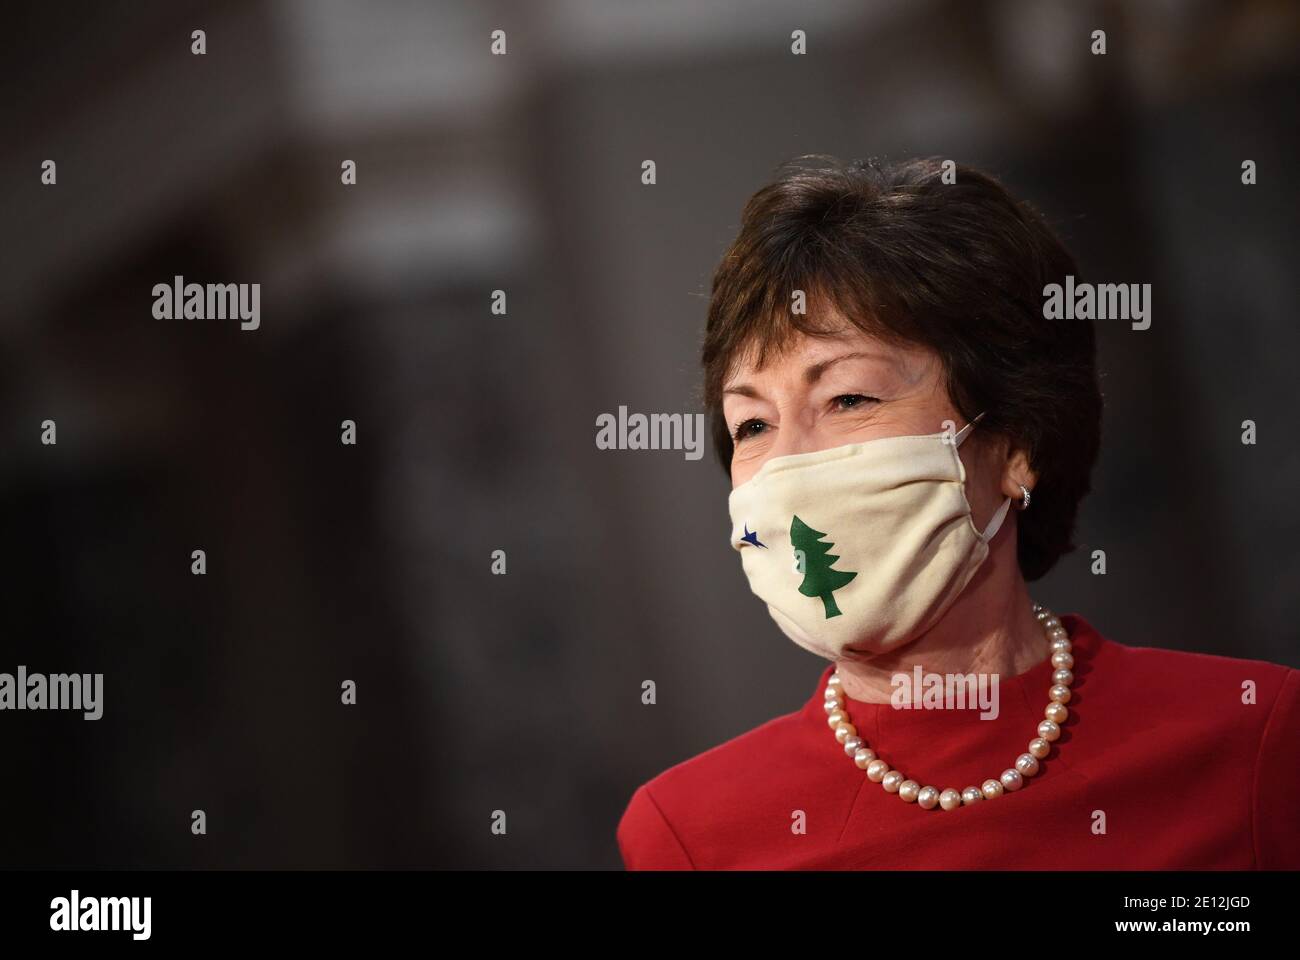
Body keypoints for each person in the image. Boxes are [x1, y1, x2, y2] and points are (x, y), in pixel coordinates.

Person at [616, 156, 1300, 869]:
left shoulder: (1252, 744)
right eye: (751, 426)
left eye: (849, 398)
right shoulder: (692, 834)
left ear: (1015, 445)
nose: (789, 464)